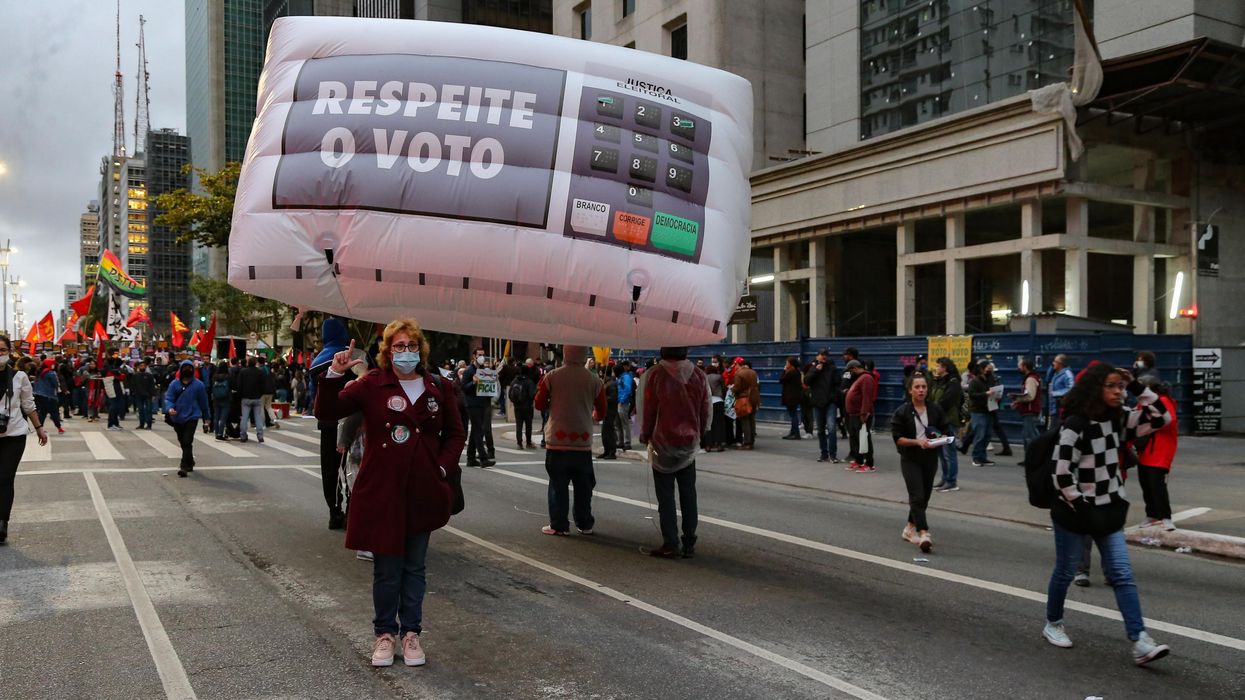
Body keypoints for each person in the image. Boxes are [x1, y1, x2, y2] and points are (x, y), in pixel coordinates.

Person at [315, 320, 466, 668]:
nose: (406, 352)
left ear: (421, 349)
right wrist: (335, 374)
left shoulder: (438, 387)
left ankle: (411, 633)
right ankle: (384, 634)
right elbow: (328, 411)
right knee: (386, 568)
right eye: (398, 346)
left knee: (414, 567)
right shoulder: (371, 383)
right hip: (382, 489)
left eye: (411, 345)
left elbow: (456, 434)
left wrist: (442, 469)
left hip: (424, 490)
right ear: (387, 350)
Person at [1043, 362, 1172, 666]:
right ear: (1095, 389)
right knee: (1065, 571)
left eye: (1121, 386)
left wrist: (1138, 386)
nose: (1118, 392)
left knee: (1123, 574)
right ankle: (1053, 623)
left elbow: (1161, 418)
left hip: (1109, 510)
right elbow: (1060, 474)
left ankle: (1140, 640)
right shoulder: (1075, 424)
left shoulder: (1120, 420)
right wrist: (1082, 503)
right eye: (1111, 386)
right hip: (1076, 513)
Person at [639, 346, 709, 558]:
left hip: (663, 441)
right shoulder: (698, 375)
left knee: (666, 496)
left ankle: (671, 542)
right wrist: (700, 432)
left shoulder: (656, 375)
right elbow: (704, 408)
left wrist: (645, 433)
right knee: (689, 493)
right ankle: (689, 541)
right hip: (688, 442)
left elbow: (648, 408)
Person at [534, 345, 606, 536]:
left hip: (556, 440)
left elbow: (539, 403)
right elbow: (602, 411)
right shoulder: (594, 380)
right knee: (584, 486)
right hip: (582, 441)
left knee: (558, 484)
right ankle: (585, 523)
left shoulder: (552, 376)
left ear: (565, 355)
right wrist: (591, 413)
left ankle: (559, 525)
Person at [891, 374, 950, 553]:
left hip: (930, 458)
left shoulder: (935, 409)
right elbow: (898, 438)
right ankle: (924, 533)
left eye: (924, 387)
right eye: (917, 387)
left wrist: (942, 438)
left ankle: (909, 529)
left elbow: (945, 430)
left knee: (923, 497)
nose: (921, 390)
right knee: (917, 495)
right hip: (910, 458)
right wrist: (917, 442)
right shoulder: (902, 411)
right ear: (910, 390)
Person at [1, 335, 50, 545]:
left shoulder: (19, 376)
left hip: (14, 435)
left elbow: (28, 405)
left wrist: (39, 428)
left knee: (4, 477)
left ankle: (2, 522)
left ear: (9, 352)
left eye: (2, 350)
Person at [1136, 376, 1178, 530]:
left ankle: (1165, 517)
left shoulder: (1163, 401)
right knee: (1146, 484)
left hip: (1160, 452)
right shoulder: (1142, 403)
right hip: (1146, 451)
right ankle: (1152, 514)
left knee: (1157, 485)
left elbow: (1169, 421)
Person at [163, 360, 211, 478]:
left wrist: (207, 418)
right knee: (182, 441)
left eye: (190, 368)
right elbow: (169, 398)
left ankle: (183, 466)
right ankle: (190, 461)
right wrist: (169, 409)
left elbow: (204, 402)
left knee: (187, 440)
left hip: (192, 416)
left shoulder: (199, 385)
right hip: (177, 417)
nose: (188, 370)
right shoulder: (174, 384)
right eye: (185, 368)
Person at [930, 358, 962, 492]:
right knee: (941, 453)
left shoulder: (953, 382)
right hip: (938, 422)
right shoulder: (939, 381)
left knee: (949, 452)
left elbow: (947, 401)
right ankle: (945, 478)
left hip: (948, 421)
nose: (936, 368)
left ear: (945, 368)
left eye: (938, 366)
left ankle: (952, 481)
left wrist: (934, 410)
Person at [460, 348, 495, 468]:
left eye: (483, 355)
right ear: (474, 356)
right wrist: (473, 383)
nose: (482, 357)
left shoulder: (483, 370)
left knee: (475, 430)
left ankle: (470, 458)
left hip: (482, 403)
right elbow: (464, 387)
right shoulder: (469, 371)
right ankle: (483, 458)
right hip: (472, 404)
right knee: (478, 431)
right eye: (479, 355)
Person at [804, 349, 840, 463]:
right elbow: (806, 381)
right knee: (820, 430)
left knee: (831, 429)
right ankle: (824, 454)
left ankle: (833, 455)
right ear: (817, 356)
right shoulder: (813, 367)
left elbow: (837, 384)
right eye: (822, 355)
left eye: (826, 355)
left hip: (830, 403)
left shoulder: (832, 368)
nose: (824, 357)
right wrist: (815, 370)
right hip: (817, 402)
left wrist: (833, 398)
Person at [844, 360, 876, 472]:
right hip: (854, 414)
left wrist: (864, 413)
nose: (850, 373)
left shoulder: (866, 378)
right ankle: (859, 461)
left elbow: (867, 397)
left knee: (864, 439)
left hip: (861, 415)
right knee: (855, 439)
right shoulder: (860, 378)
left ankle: (869, 464)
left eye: (850, 370)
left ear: (854, 368)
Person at [1011, 358, 1042, 463]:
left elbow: (1030, 397)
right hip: (1028, 411)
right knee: (1028, 436)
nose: (1018, 368)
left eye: (1020, 366)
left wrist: (1017, 398)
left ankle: (1033, 460)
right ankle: (1030, 459)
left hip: (1030, 412)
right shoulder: (1029, 378)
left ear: (1025, 366)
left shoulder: (1031, 379)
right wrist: (1018, 402)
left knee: (1030, 437)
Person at [966, 362, 995, 467]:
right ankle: (976, 458)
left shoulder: (990, 380)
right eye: (988, 368)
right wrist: (985, 394)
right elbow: (972, 395)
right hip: (978, 412)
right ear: (982, 369)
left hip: (989, 410)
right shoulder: (975, 381)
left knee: (987, 435)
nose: (990, 370)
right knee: (980, 435)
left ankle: (983, 457)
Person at [729, 358, 760, 450]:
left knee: (745, 421)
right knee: (751, 420)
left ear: (739, 365)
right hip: (754, 398)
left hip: (744, 399)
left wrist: (731, 390)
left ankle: (747, 443)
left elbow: (737, 387)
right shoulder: (753, 372)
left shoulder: (739, 373)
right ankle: (752, 441)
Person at [237, 356, 267, 444]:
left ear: (248, 363)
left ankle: (243, 435)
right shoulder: (260, 372)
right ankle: (260, 436)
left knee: (244, 418)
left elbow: (239, 385)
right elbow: (263, 385)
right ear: (255, 363)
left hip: (245, 398)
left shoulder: (243, 372)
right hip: (257, 397)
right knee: (258, 417)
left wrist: (240, 395)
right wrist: (260, 394)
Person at [508, 365, 537, 449]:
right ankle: (528, 442)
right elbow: (532, 394)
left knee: (519, 425)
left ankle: (519, 443)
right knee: (528, 425)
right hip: (527, 406)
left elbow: (510, 393)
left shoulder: (515, 380)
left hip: (517, 406)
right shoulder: (529, 381)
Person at [33, 359, 64, 435]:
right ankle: (59, 428)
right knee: (54, 412)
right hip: (49, 396)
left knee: (42, 412)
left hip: (39, 395)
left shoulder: (40, 372)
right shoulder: (51, 373)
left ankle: (40, 428)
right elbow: (56, 384)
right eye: (53, 364)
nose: (54, 365)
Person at [597, 366, 619, 460]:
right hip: (606, 411)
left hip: (610, 411)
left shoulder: (612, 384)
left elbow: (613, 398)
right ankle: (606, 450)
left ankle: (612, 452)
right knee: (604, 432)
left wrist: (603, 398)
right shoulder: (606, 384)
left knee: (609, 432)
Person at [779, 357, 803, 440]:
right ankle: (793, 432)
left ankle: (796, 433)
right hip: (795, 396)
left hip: (791, 396)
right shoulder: (797, 372)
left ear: (791, 364)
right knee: (793, 414)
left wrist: (784, 370)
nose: (786, 365)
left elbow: (781, 380)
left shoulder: (791, 372)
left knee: (793, 415)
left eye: (787, 363)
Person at [704, 362, 727, 452]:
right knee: (719, 424)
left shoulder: (704, 377)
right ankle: (719, 444)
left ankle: (708, 445)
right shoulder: (719, 377)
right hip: (718, 401)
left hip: (708, 402)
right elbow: (724, 388)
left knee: (709, 424)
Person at [1047, 354, 1075, 426]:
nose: (1053, 363)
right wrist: (1051, 368)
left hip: (1061, 410)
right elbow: (1047, 379)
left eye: (1055, 361)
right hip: (1054, 409)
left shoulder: (1067, 374)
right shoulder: (1056, 374)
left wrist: (1056, 394)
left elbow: (1071, 388)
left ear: (1061, 364)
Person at [615, 360, 635, 451]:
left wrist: (622, 400)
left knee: (624, 423)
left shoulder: (626, 377)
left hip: (623, 403)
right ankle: (620, 441)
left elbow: (628, 390)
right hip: (619, 402)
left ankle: (627, 442)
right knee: (618, 423)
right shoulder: (620, 378)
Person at [131, 361, 157, 430]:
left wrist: (153, 394)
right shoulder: (135, 376)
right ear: (139, 367)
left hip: (148, 395)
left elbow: (152, 386)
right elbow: (133, 385)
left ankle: (149, 425)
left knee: (148, 410)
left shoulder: (149, 375)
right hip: (138, 396)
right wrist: (134, 393)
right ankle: (141, 424)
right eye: (141, 366)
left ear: (145, 367)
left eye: (143, 366)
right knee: (140, 410)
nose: (142, 367)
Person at [210, 361, 233, 440]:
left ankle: (216, 432)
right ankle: (220, 433)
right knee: (223, 417)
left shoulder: (214, 376)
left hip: (216, 398)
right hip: (226, 398)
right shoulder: (228, 376)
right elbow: (231, 386)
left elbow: (211, 386)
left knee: (216, 416)